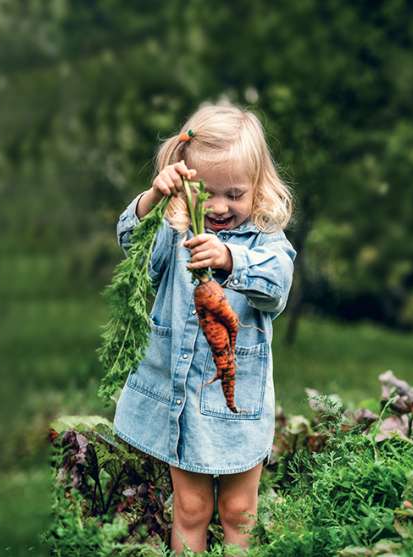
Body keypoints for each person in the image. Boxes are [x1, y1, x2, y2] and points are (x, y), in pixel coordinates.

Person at [112, 102, 297, 554]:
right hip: (183, 402)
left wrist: (231, 259)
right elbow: (130, 246)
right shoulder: (174, 230)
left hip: (237, 405)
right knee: (191, 509)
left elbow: (276, 288)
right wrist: (154, 198)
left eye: (234, 194)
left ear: (258, 187)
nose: (218, 207)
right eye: (206, 193)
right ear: (185, 186)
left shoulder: (265, 239)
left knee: (239, 511)